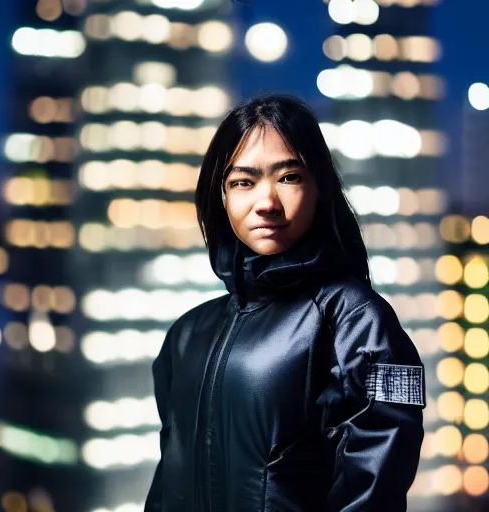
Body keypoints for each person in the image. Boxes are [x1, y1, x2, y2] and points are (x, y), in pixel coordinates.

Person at [144, 94, 426, 512]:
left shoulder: (357, 319)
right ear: (220, 197)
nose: (266, 203)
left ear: (319, 189)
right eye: (243, 181)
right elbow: (167, 483)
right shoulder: (186, 334)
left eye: (289, 177)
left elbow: (376, 489)